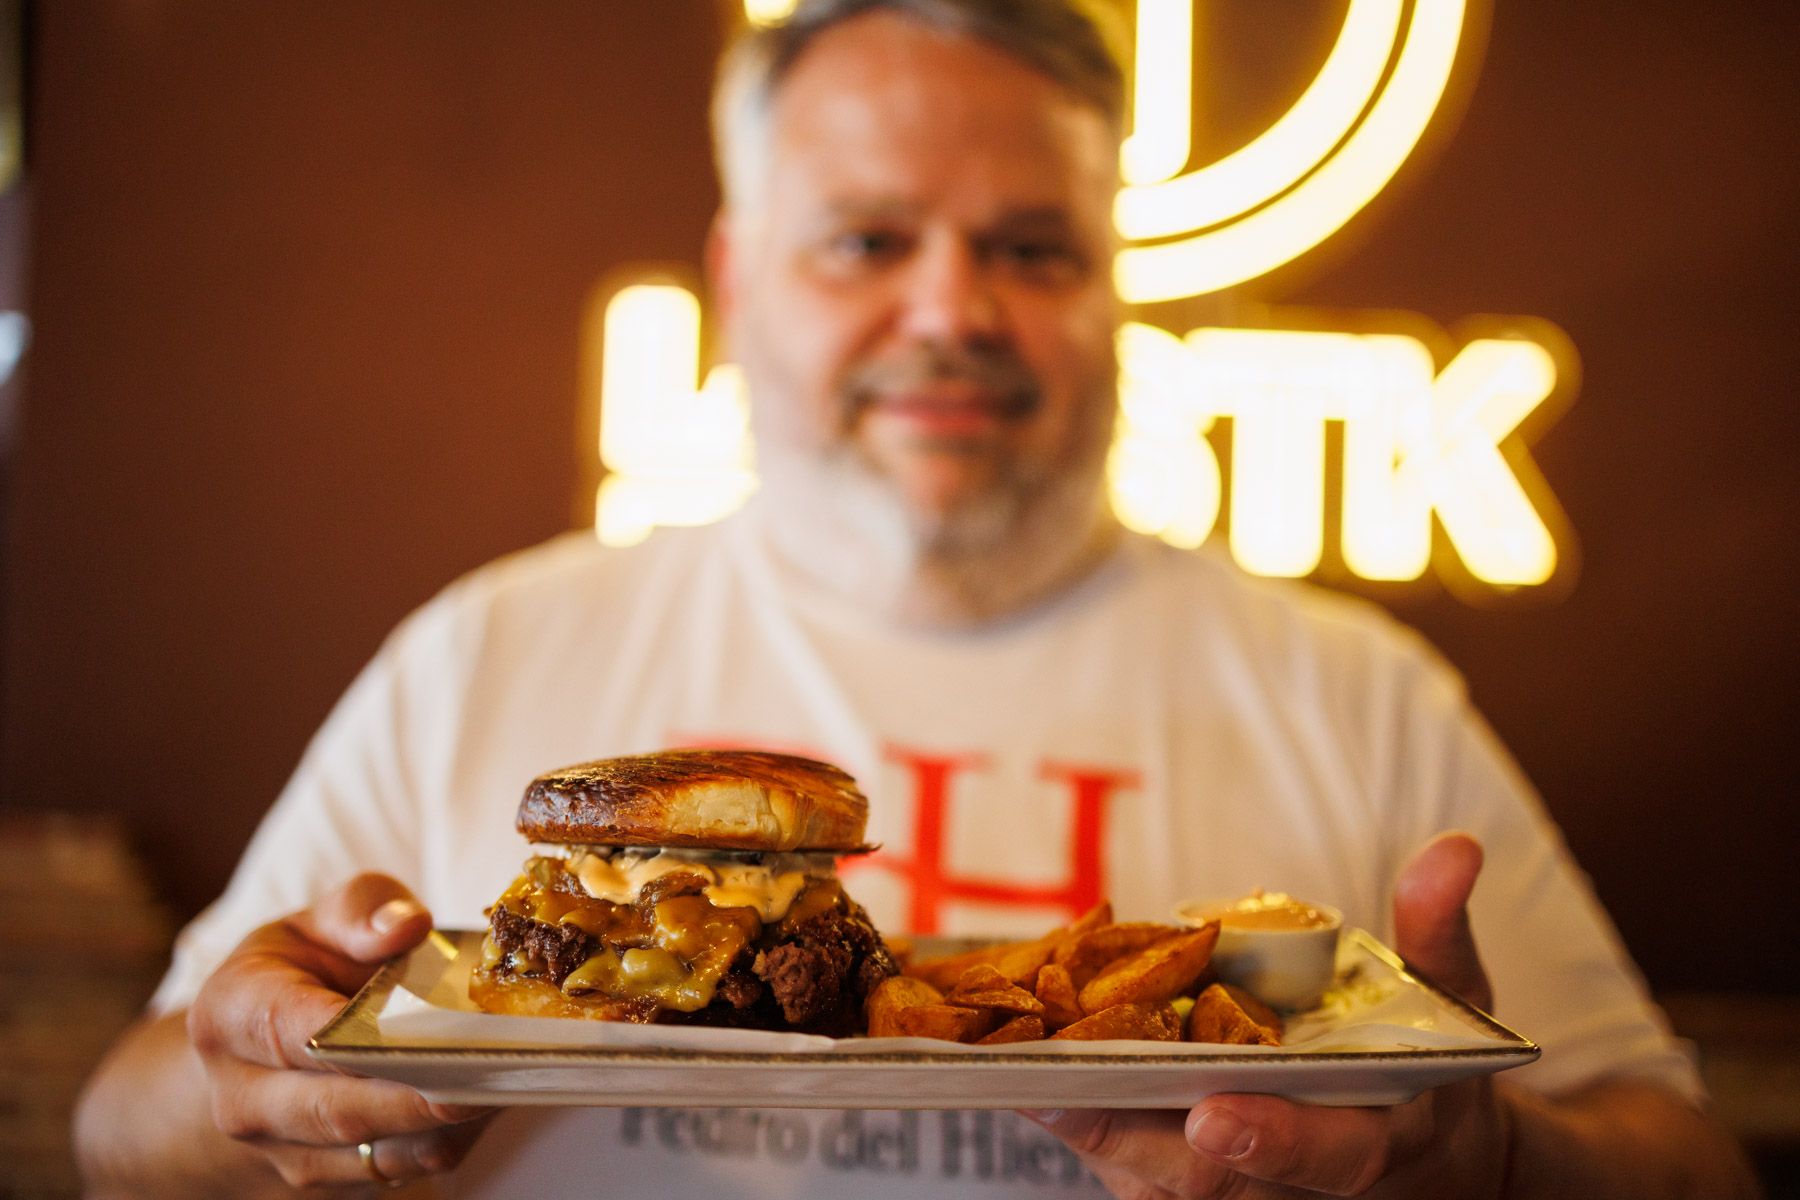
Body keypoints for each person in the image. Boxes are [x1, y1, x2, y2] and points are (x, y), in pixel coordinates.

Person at [74, 1, 1760, 1197]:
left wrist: (1487, 1164)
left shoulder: (1360, 691)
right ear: (739, 279)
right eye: (869, 241)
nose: (952, 310)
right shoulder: (482, 654)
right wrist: (273, 1100)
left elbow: (1687, 1158)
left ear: (1112, 290)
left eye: (1030, 248)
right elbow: (114, 1135)